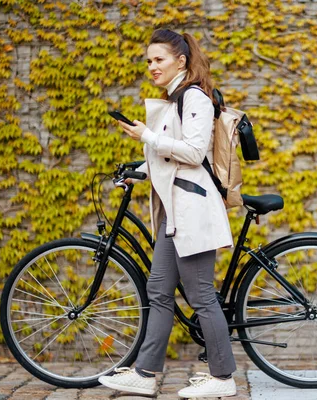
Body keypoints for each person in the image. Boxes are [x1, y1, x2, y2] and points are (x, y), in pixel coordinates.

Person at [98, 28, 237, 398]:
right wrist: (137, 171)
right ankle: (145, 373)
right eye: (148, 61)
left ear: (181, 60)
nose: (152, 66)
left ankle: (223, 379)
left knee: (200, 294)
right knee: (158, 290)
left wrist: (146, 136)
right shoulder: (174, 98)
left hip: (192, 211)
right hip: (175, 215)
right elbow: (168, 156)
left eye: (158, 59)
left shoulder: (194, 97)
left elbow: (192, 153)